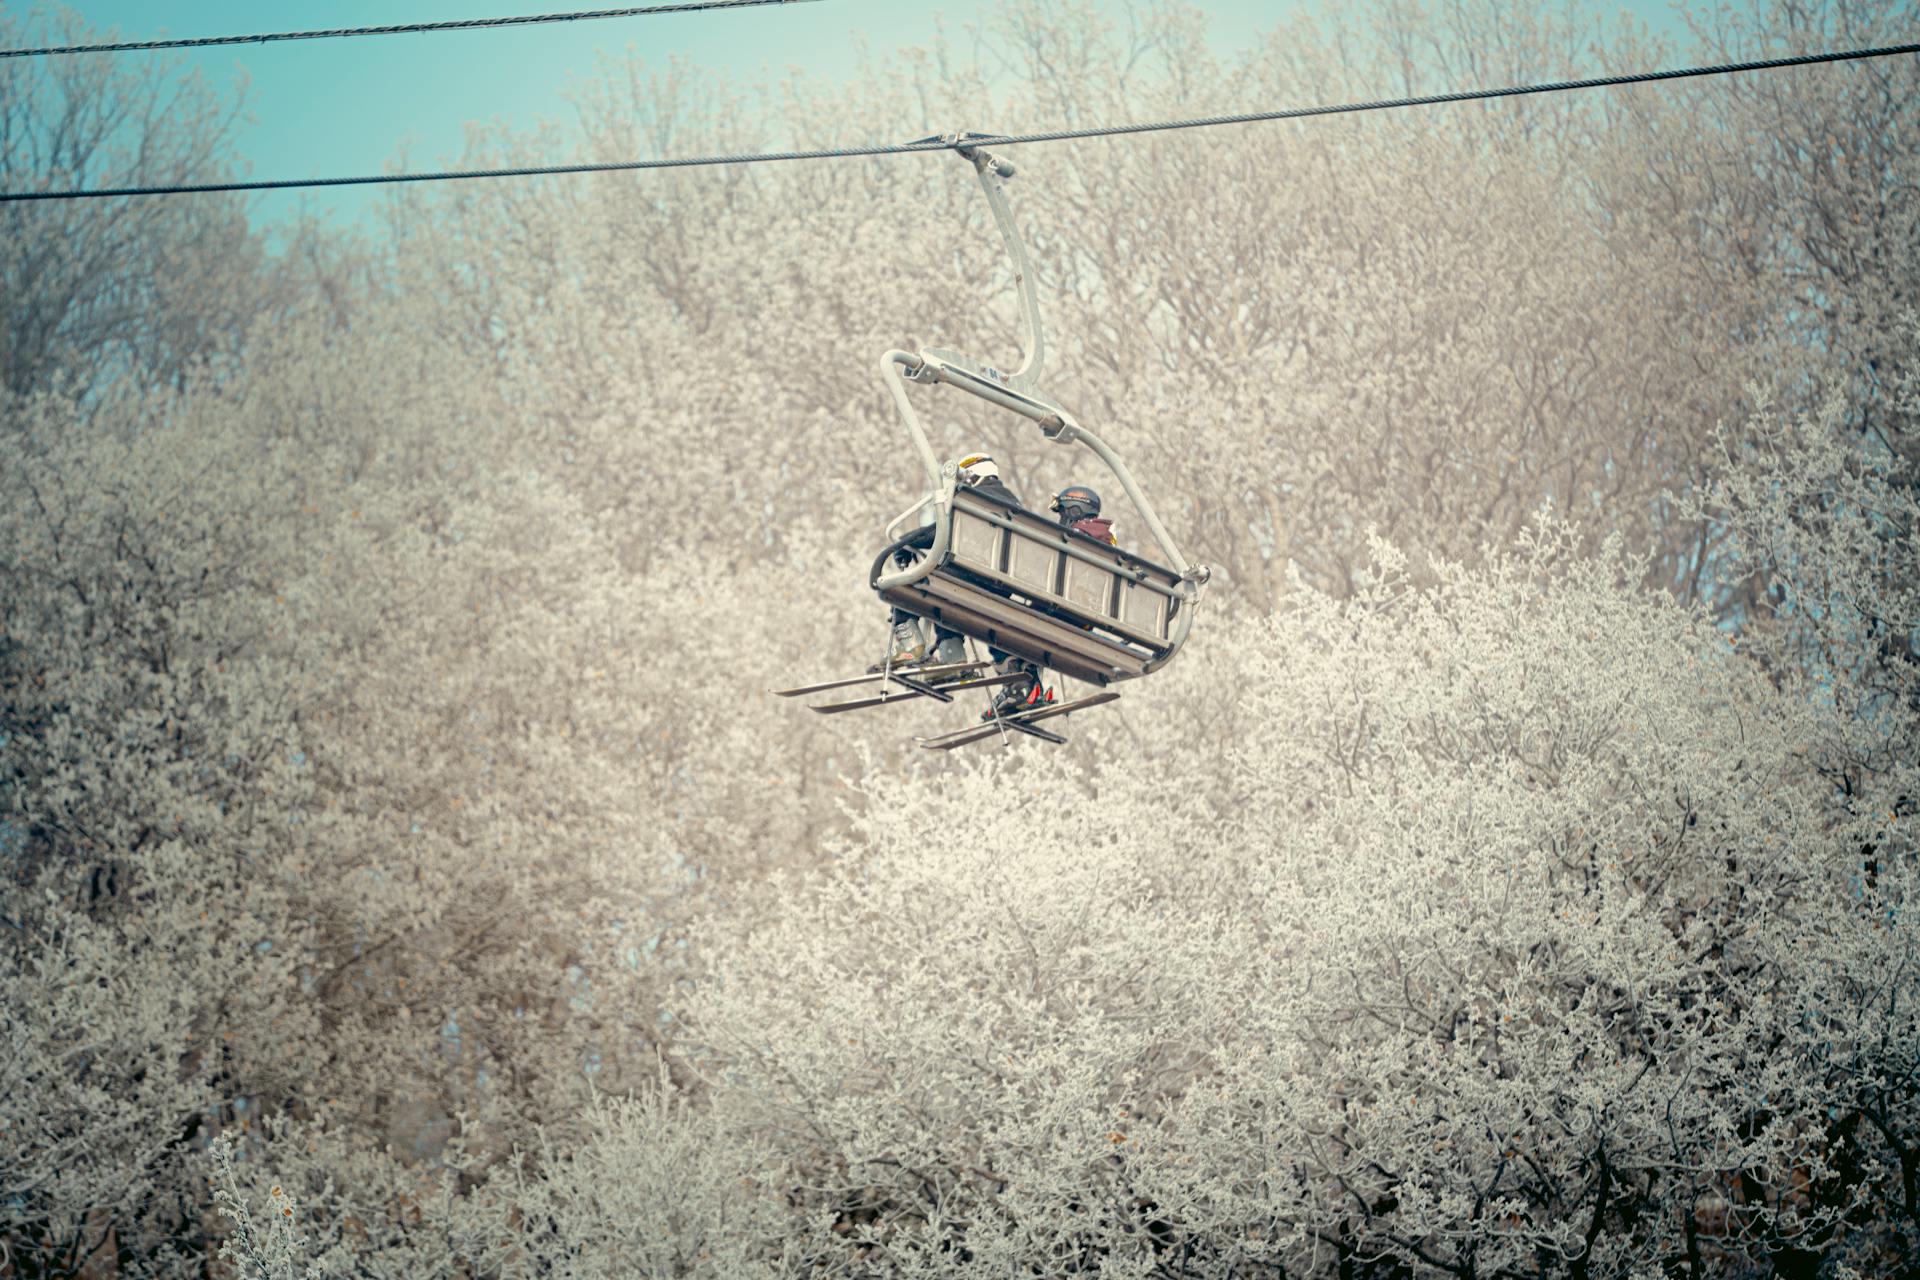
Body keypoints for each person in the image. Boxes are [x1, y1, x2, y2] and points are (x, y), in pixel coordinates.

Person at [1050, 484, 1115, 545]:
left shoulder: (1073, 538)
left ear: (1074, 512)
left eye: (1063, 512)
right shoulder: (1105, 536)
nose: (1062, 518)